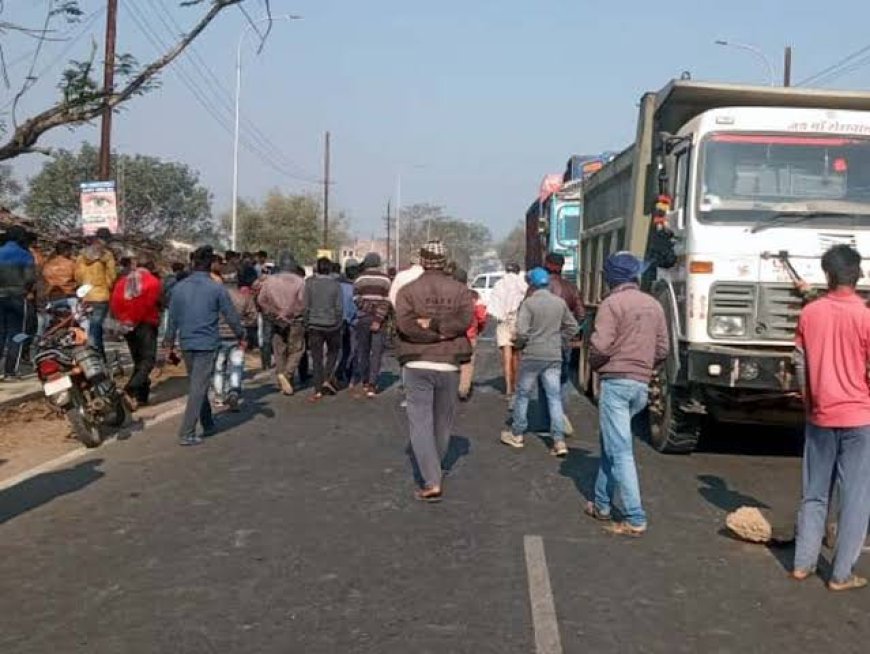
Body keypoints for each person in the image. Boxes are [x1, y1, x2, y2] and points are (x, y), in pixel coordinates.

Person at [791, 244, 870, 591]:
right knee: (855, 497)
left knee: (814, 493)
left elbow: (798, 362)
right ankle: (840, 575)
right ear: (858, 276)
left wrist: (809, 402)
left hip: (820, 416)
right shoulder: (866, 317)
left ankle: (802, 563)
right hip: (859, 417)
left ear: (827, 275)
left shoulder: (811, 314)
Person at [586, 252, 668, 537]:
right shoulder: (654, 305)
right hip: (640, 385)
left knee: (620, 451)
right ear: (634, 276)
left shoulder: (611, 304)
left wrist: (597, 365)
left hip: (616, 383)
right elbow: (663, 350)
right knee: (612, 443)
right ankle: (602, 504)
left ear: (610, 278)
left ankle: (635, 516)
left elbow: (600, 346)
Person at [395, 240, 473, 502]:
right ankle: (434, 470)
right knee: (443, 423)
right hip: (449, 362)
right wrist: (442, 332)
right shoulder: (461, 291)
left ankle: (431, 479)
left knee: (420, 422)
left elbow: (405, 325)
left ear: (422, 261)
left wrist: (428, 329)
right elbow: (464, 321)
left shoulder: (407, 291)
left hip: (416, 361)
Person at [164, 246, 245, 446]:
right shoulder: (216, 288)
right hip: (206, 343)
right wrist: (241, 335)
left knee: (197, 384)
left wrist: (168, 344)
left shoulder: (179, 288)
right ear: (210, 266)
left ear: (192, 264)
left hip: (186, 342)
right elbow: (231, 315)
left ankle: (208, 423)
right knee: (198, 387)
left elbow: (171, 319)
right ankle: (187, 432)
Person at [500, 267, 578, 457]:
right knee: (554, 396)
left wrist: (518, 343)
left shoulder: (529, 304)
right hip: (553, 356)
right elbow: (573, 327)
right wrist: (560, 340)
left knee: (523, 394)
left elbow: (523, 332)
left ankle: (517, 434)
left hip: (532, 356)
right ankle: (558, 441)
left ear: (532, 284)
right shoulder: (559, 303)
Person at [110, 258, 162, 408]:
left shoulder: (122, 282)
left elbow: (114, 303)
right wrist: (136, 318)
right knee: (148, 361)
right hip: (145, 323)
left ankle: (142, 396)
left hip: (127, 325)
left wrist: (124, 320)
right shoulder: (153, 282)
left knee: (138, 361)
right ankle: (130, 390)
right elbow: (150, 303)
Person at [545, 252, 585, 436]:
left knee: (544, 382)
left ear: (546, 264)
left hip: (543, 341)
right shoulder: (571, 288)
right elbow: (581, 314)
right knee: (562, 380)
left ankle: (552, 421)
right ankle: (560, 416)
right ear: (562, 266)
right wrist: (570, 332)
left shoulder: (538, 287)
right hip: (563, 341)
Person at [256, 251, 306, 396]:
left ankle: (281, 379)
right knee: (297, 349)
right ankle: (287, 374)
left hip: (275, 320)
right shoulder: (300, 281)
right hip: (295, 320)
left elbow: (261, 301)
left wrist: (275, 313)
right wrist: (289, 313)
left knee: (279, 350)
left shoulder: (270, 281)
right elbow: (303, 303)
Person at [214, 275, 256, 411]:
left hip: (218, 336)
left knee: (219, 368)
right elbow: (252, 316)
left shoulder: (215, 296)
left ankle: (219, 396)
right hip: (238, 337)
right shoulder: (244, 297)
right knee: (236, 367)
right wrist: (243, 324)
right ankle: (234, 392)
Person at [304, 257, 344, 401]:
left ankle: (318, 388)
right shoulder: (336, 285)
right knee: (333, 352)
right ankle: (327, 377)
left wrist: (306, 323)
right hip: (332, 324)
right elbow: (339, 307)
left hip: (314, 324)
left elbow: (306, 306)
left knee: (316, 357)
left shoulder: (310, 285)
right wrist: (339, 323)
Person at [353, 252, 391, 397]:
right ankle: (373, 384)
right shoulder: (386, 279)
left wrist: (368, 309)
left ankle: (365, 380)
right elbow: (387, 301)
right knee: (376, 353)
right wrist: (378, 317)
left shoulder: (359, 278)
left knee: (363, 350)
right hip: (380, 321)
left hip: (363, 318)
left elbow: (356, 298)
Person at [0, 226, 36, 379]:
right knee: (18, 334)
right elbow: (29, 279)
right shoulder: (25, 255)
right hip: (18, 298)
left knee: (0, 333)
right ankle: (10, 371)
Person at [74, 229, 117, 357]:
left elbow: (77, 276)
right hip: (100, 295)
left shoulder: (81, 255)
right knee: (95, 328)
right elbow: (112, 275)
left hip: (86, 296)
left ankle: (92, 355)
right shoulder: (107, 255)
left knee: (90, 327)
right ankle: (97, 355)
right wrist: (106, 286)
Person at [488, 262, 527, 400]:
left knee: (506, 354)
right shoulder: (523, 283)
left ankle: (508, 388)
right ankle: (516, 385)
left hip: (503, 320)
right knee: (517, 354)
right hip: (518, 319)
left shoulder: (499, 284)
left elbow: (493, 305)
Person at [453, 268, 487, 401]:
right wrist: (479, 329)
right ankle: (463, 389)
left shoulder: (446, 295)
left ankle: (445, 388)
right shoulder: (474, 295)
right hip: (470, 334)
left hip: (451, 335)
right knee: (467, 363)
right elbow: (481, 316)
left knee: (449, 361)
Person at [337, 259, 359, 385]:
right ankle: (349, 373)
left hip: (340, 321)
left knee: (342, 349)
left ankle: (339, 372)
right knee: (352, 349)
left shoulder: (338, 285)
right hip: (353, 322)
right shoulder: (357, 286)